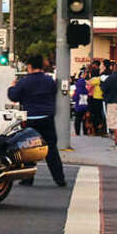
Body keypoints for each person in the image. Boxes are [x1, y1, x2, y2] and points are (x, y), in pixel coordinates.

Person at [8, 55, 66, 187]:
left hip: (31, 118)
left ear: (29, 66)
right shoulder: (49, 81)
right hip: (46, 118)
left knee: (29, 148)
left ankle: (27, 178)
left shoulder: (24, 81)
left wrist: (12, 87)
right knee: (51, 149)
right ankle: (59, 179)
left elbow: (13, 96)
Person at [101, 67, 117, 148]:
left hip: (112, 102)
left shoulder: (110, 78)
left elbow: (103, 89)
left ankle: (116, 142)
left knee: (114, 124)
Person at [88, 67, 105, 136]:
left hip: (96, 98)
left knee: (95, 114)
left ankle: (97, 128)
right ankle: (100, 128)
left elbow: (89, 85)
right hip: (100, 98)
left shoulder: (96, 79)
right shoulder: (100, 79)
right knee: (99, 114)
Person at [72, 69, 90, 136]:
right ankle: (85, 132)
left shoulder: (77, 91)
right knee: (85, 120)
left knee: (77, 120)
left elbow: (74, 98)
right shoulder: (86, 90)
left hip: (78, 107)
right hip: (85, 107)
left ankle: (77, 132)